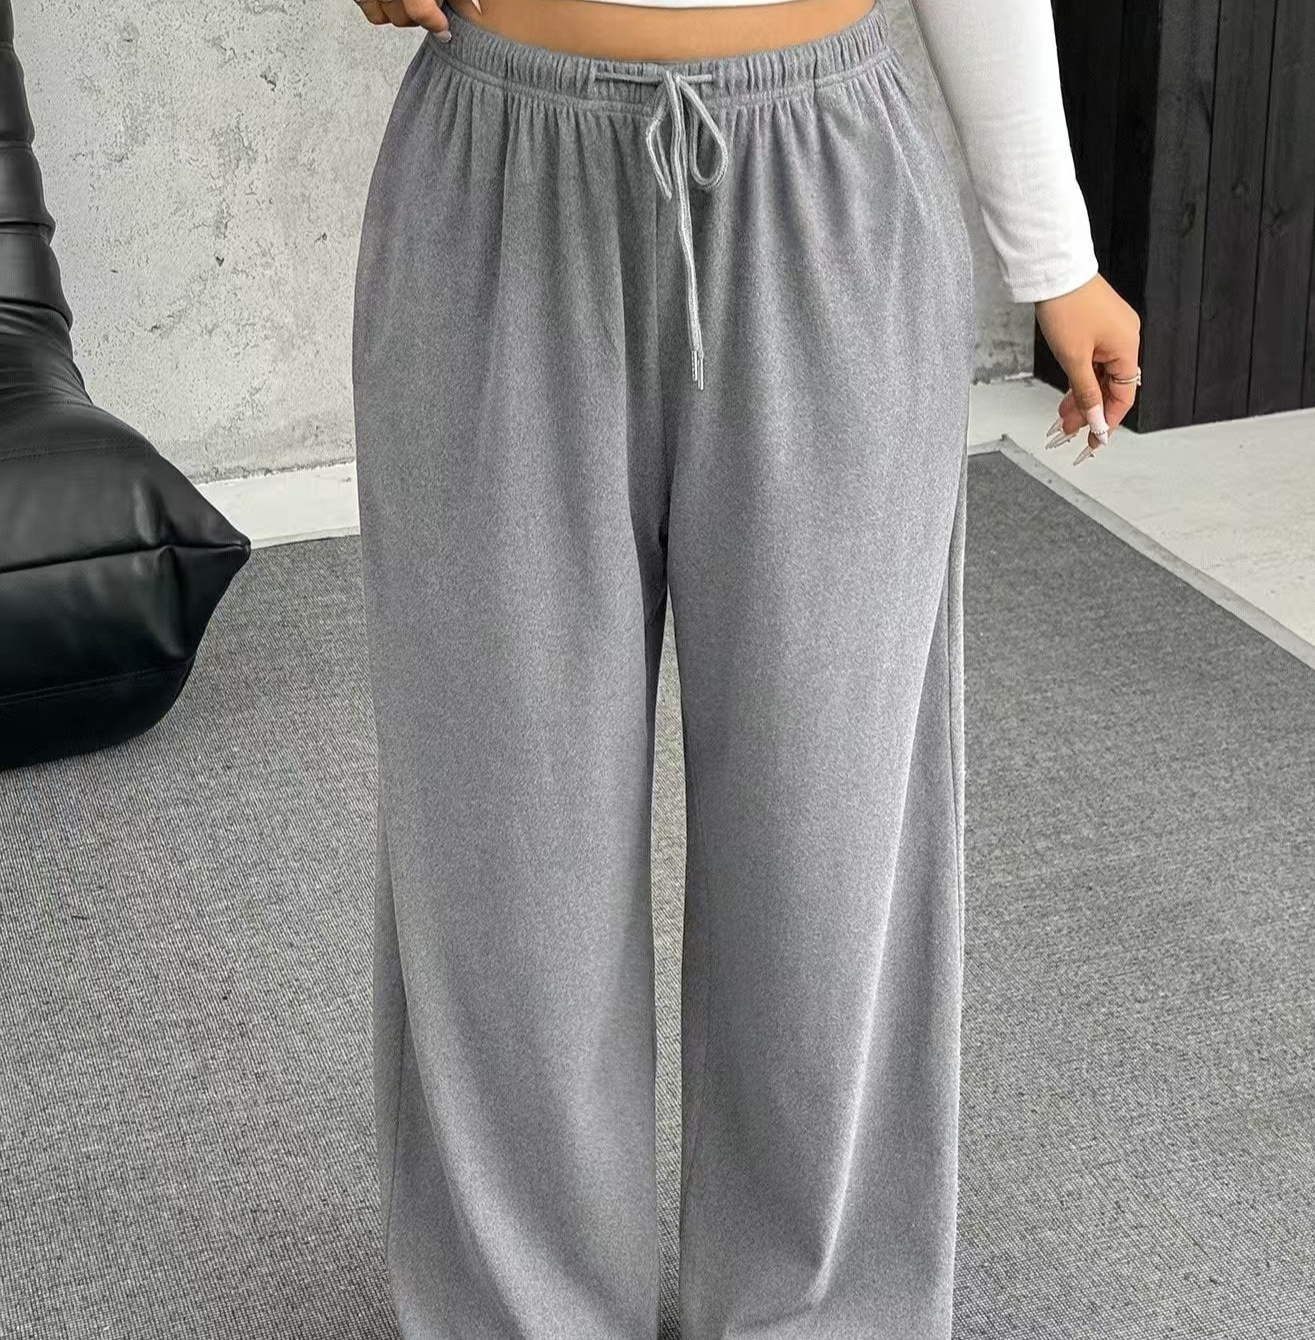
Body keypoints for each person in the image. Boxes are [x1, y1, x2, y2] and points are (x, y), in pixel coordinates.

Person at [349, 0, 1141, 1337]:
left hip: (829, 183)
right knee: (499, 829)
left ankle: (821, 1310)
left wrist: (1053, 248)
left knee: (830, 831)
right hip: (494, 174)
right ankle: (517, 1309)